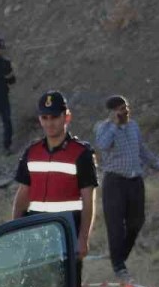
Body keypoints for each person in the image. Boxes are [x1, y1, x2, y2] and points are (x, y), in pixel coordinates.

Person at [12, 91, 98, 263]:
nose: (49, 123)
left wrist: (83, 238)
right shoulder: (32, 152)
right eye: (45, 118)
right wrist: (14, 229)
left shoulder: (81, 153)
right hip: (35, 232)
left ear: (67, 117)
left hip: (67, 231)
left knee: (66, 280)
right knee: (32, 279)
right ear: (40, 119)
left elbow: (89, 200)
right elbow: (22, 195)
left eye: (54, 117)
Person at [94, 95, 159, 282]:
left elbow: (142, 150)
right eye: (121, 109)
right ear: (112, 112)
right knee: (115, 226)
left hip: (135, 180)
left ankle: (119, 256)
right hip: (115, 182)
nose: (126, 111)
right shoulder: (103, 128)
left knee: (136, 222)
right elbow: (103, 145)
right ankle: (119, 266)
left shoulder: (134, 126)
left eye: (126, 107)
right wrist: (114, 125)